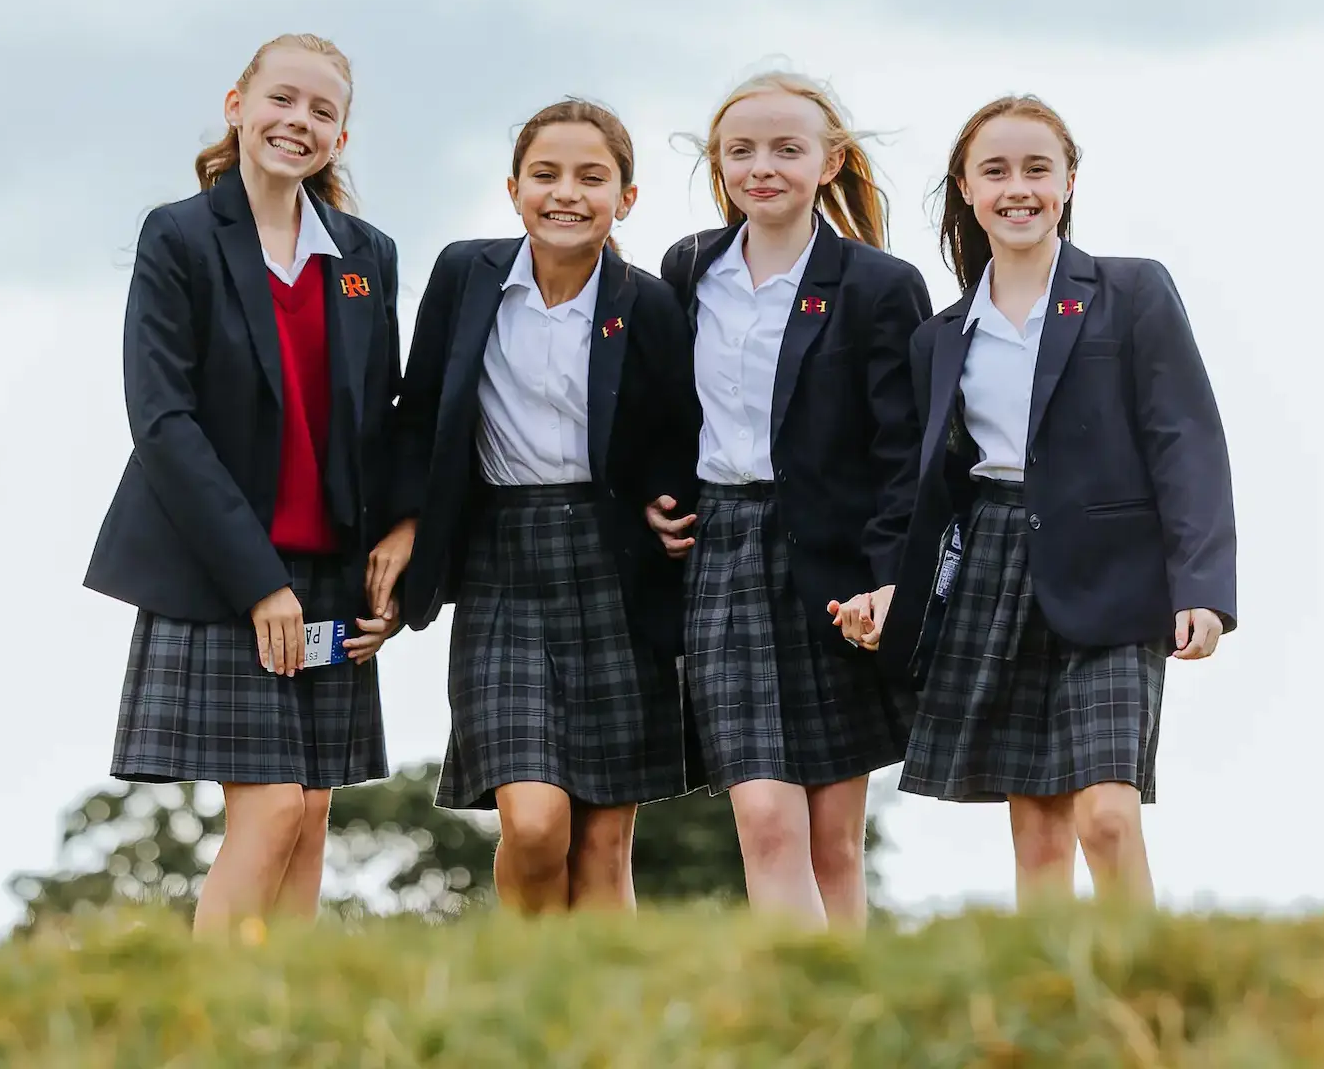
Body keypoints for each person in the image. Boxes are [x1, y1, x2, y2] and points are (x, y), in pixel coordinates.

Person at [838, 94, 1235, 907]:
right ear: (966, 188)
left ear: (1068, 182)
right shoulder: (941, 336)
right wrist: (893, 587)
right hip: (994, 568)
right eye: (995, 171)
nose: (1017, 188)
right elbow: (933, 489)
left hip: (1118, 583)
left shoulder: (1132, 291)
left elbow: (1185, 439)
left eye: (1036, 169)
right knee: (1040, 828)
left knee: (1107, 816)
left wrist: (1203, 587)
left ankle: (1141, 980)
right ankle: (1052, 997)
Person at [83, 33, 403, 935]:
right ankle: (212, 1025)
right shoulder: (178, 234)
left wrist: (401, 555)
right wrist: (259, 580)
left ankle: (285, 1026)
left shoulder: (366, 255)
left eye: (323, 111)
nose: (299, 122)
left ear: (341, 137)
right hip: (222, 575)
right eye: (282, 100)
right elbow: (163, 423)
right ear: (237, 104)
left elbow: (385, 418)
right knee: (272, 814)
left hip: (330, 575)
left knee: (310, 821)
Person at [373, 98, 699, 913]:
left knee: (601, 843)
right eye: (546, 175)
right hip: (500, 567)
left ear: (625, 197)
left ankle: (590, 1027)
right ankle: (522, 984)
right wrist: (408, 521)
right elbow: (420, 416)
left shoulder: (649, 302)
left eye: (592, 178)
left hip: (614, 566)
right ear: (514, 187)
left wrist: (671, 504)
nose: (566, 193)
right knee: (533, 823)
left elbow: (680, 431)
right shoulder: (463, 275)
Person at [645, 72, 928, 927]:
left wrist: (889, 582)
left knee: (836, 842)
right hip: (722, 557)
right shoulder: (687, 268)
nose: (762, 167)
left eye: (786, 149)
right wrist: (657, 500)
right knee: (766, 818)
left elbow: (904, 457)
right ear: (718, 164)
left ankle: (839, 1030)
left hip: (836, 567)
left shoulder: (881, 285)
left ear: (829, 161)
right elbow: (663, 409)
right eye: (742, 151)